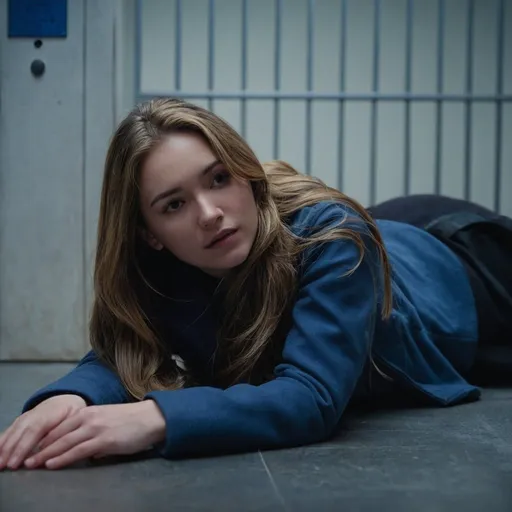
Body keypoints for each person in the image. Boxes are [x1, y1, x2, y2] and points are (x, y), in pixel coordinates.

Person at [1, 98, 511, 472]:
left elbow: (310, 398)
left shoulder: (333, 241)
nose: (209, 214)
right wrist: (71, 399)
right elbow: (127, 347)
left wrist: (152, 419)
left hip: (463, 260)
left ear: (245, 175)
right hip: (380, 239)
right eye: (173, 204)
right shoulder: (165, 270)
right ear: (148, 235)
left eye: (219, 178)